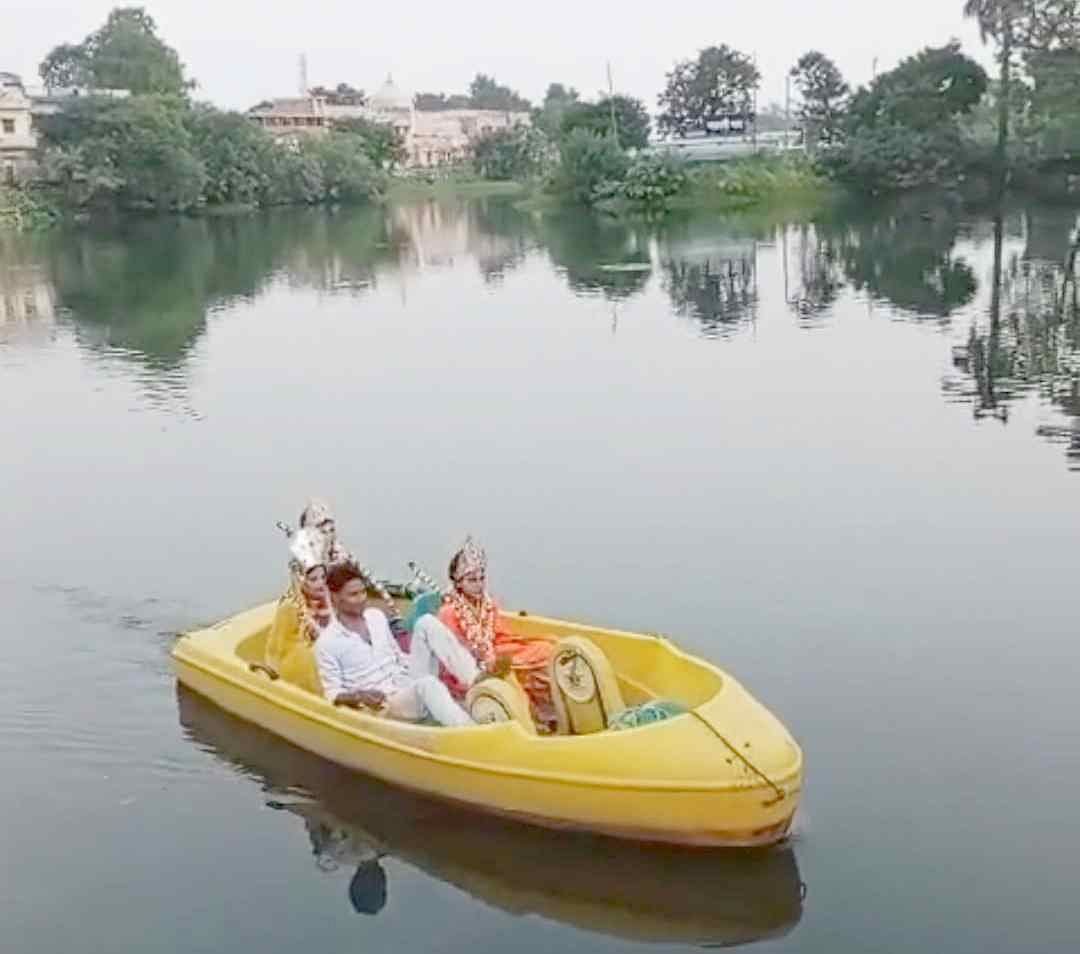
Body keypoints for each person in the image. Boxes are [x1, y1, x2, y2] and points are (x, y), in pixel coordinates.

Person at [317, 563, 485, 727]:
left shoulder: (376, 616)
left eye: (363, 592)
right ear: (334, 597)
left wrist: (438, 656)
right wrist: (360, 696)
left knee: (426, 623)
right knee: (428, 683)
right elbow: (332, 693)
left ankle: (478, 681)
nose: (361, 599)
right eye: (353, 595)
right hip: (385, 703)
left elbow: (397, 655)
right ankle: (472, 731)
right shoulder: (327, 642)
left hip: (405, 680)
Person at [438, 536, 556, 726]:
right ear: (458, 583)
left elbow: (501, 634)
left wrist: (515, 646)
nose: (479, 584)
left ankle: (548, 708)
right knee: (506, 666)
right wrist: (482, 655)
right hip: (469, 665)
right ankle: (532, 714)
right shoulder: (448, 612)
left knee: (546, 648)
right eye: (472, 580)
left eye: (481, 579)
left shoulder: (489, 603)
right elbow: (453, 652)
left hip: (496, 649)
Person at [264, 526, 333, 694]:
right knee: (313, 657)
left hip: (322, 652)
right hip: (295, 661)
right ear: (302, 579)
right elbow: (278, 649)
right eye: (313, 579)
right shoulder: (290, 606)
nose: (320, 583)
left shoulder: (326, 599)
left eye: (323, 577)